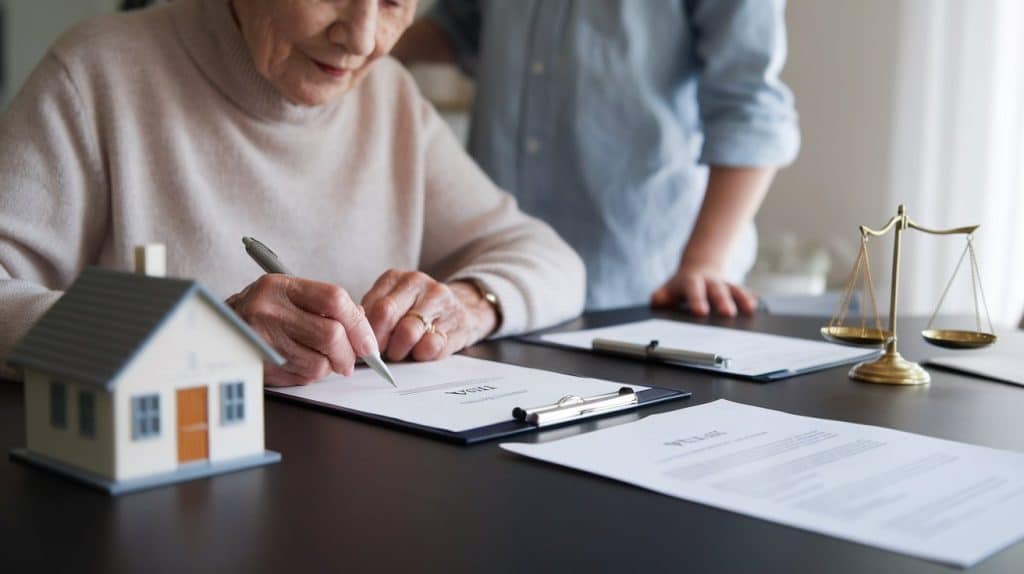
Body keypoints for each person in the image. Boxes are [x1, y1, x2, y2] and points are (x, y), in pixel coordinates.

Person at [0, 0, 584, 386]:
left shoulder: (390, 97)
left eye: (393, 2)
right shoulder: (97, 72)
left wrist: (471, 304)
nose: (361, 38)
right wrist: (199, 337)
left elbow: (553, 261)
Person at [393, 0, 800, 316]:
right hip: (507, 280)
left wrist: (705, 263)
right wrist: (357, 25)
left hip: (644, 282)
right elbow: (457, 28)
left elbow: (750, 107)